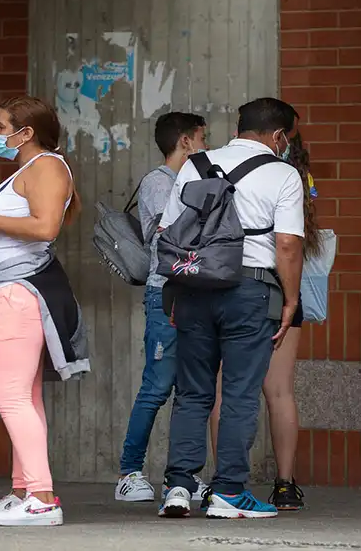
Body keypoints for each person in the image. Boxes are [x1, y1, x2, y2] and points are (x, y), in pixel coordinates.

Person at [158, 98, 305, 519]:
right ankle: (227, 491)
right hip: (250, 291)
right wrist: (291, 299)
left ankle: (179, 487)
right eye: (287, 139)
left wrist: (175, 293)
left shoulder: (195, 163)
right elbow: (289, 244)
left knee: (191, 392)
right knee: (239, 393)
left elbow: (170, 232)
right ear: (278, 136)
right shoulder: (283, 173)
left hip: (194, 287)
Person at [0, 96, 90, 527]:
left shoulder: (47, 167)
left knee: (9, 396)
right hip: (6, 293)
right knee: (24, 396)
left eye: (1, 126)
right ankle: (23, 491)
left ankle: (42, 499)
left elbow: (45, 226)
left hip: (15, 294)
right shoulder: (28, 170)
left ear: (25, 132)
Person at [207, 124, 320, 511]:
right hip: (283, 291)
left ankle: (222, 482)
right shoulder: (296, 184)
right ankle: (286, 484)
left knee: (226, 391)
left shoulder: (230, 176)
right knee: (281, 392)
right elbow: (294, 245)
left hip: (236, 288)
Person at [115, 112, 210, 503]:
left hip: (193, 294)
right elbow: (165, 234)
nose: (206, 144)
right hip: (165, 292)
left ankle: (182, 475)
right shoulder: (160, 181)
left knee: (190, 389)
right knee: (157, 386)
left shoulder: (191, 180)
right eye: (202, 137)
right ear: (185, 141)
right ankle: (129, 471)